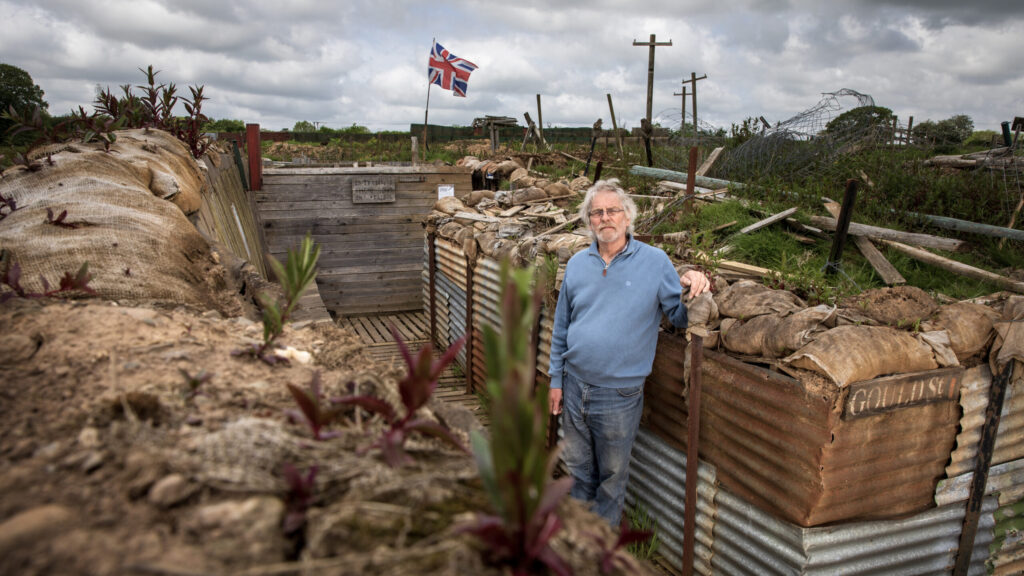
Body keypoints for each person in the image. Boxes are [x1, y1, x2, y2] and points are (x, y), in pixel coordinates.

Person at [548, 178, 711, 527]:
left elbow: (679, 317)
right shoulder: (577, 264)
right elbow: (561, 327)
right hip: (574, 385)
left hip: (619, 394)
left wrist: (695, 286)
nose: (605, 218)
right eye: (597, 212)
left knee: (612, 476)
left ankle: (602, 549)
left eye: (612, 211)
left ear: (627, 217)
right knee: (577, 469)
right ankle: (578, 539)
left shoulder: (655, 262)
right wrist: (555, 381)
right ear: (589, 220)